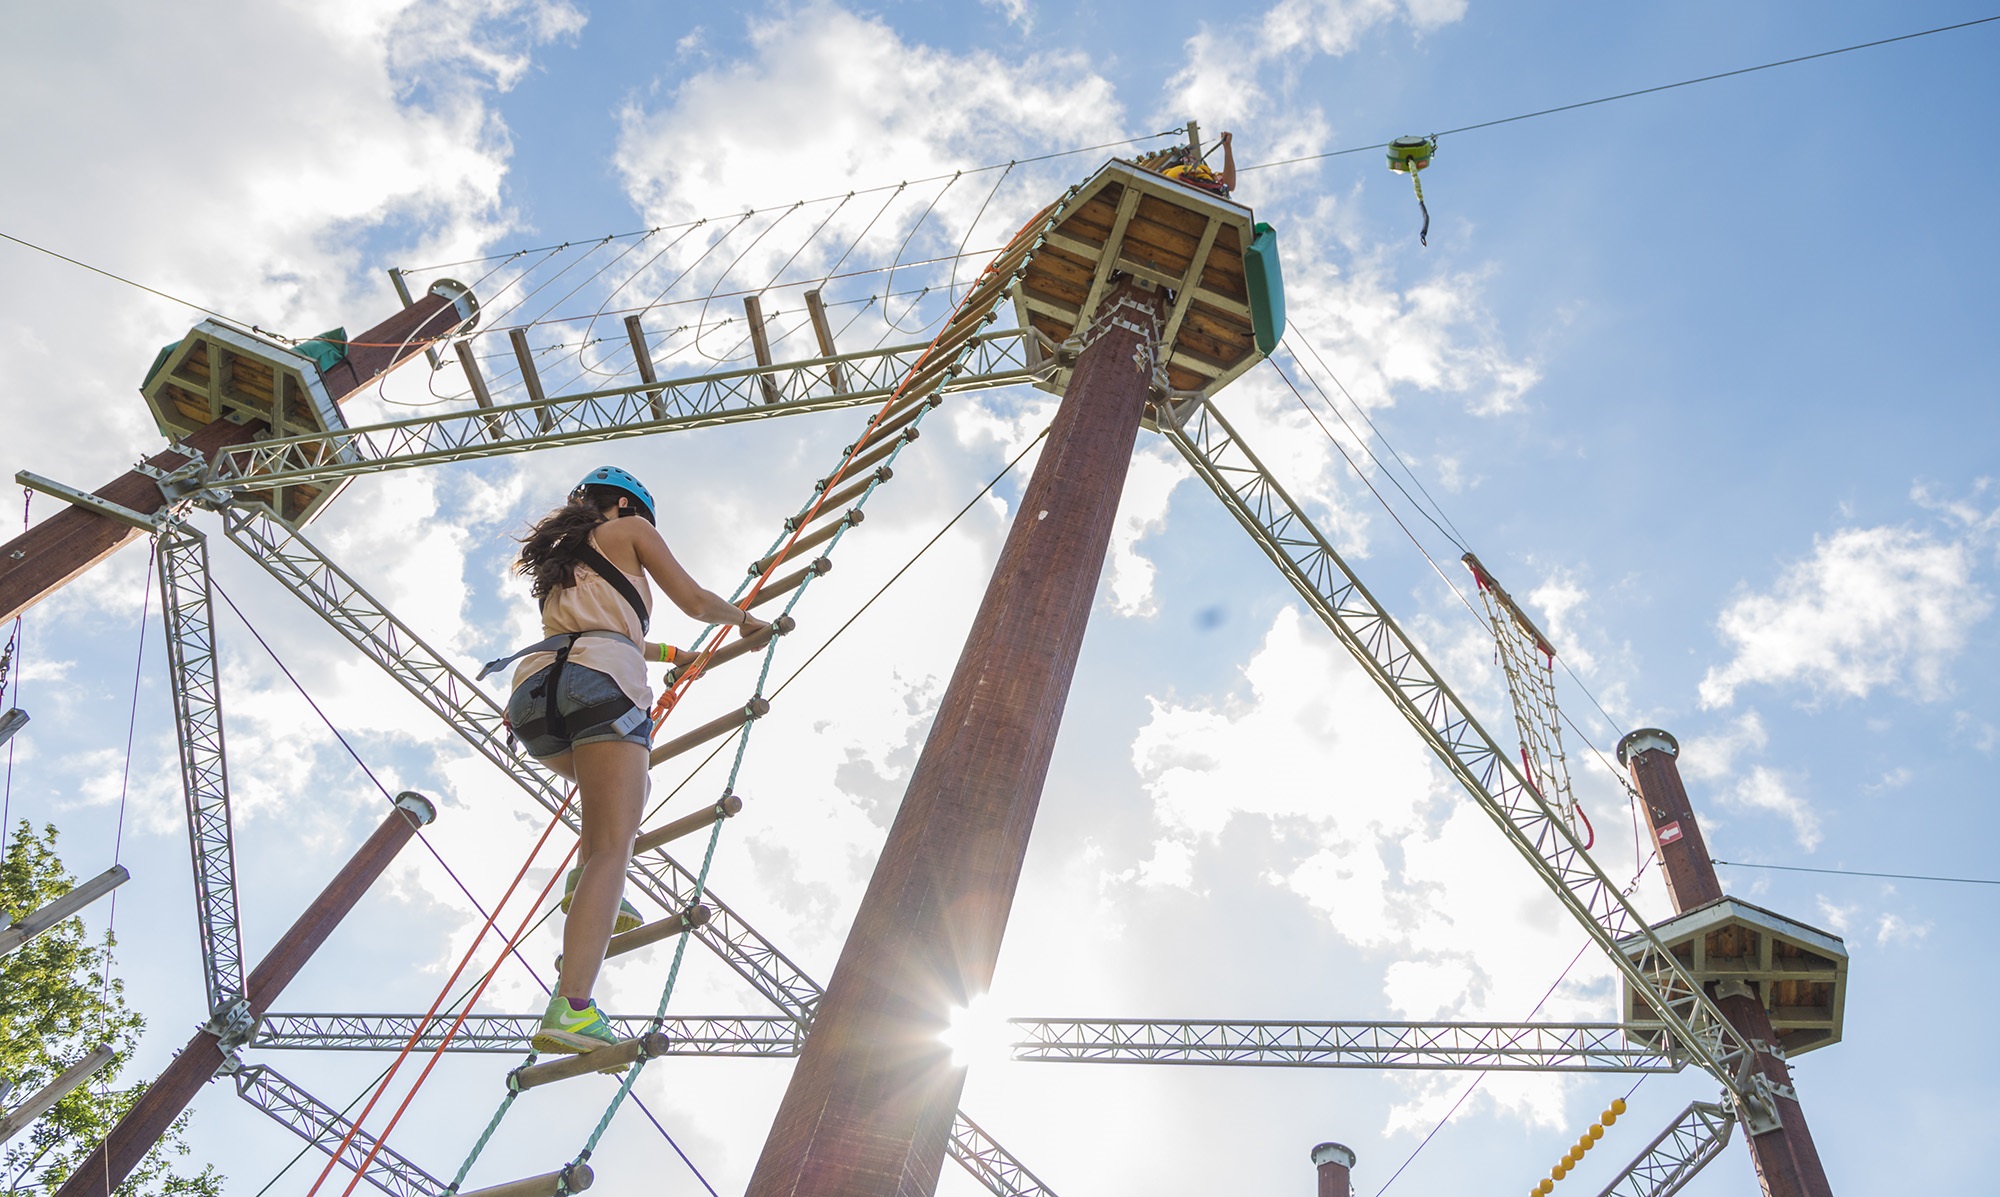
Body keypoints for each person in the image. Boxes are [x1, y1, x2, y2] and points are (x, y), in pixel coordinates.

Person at [482, 465, 768, 1054]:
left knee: (605, 812)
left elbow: (615, 632)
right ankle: (574, 1007)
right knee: (616, 839)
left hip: (534, 697)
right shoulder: (631, 528)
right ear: (623, 505)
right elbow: (692, 599)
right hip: (599, 683)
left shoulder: (564, 561)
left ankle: (586, 886)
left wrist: (673, 655)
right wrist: (746, 622)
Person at [1162, 131, 1237, 197]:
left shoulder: (1210, 175)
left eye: (1192, 157)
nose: (1189, 157)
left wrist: (1227, 147)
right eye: (1185, 157)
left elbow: (1229, 185)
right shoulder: (1168, 172)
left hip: (1202, 192)